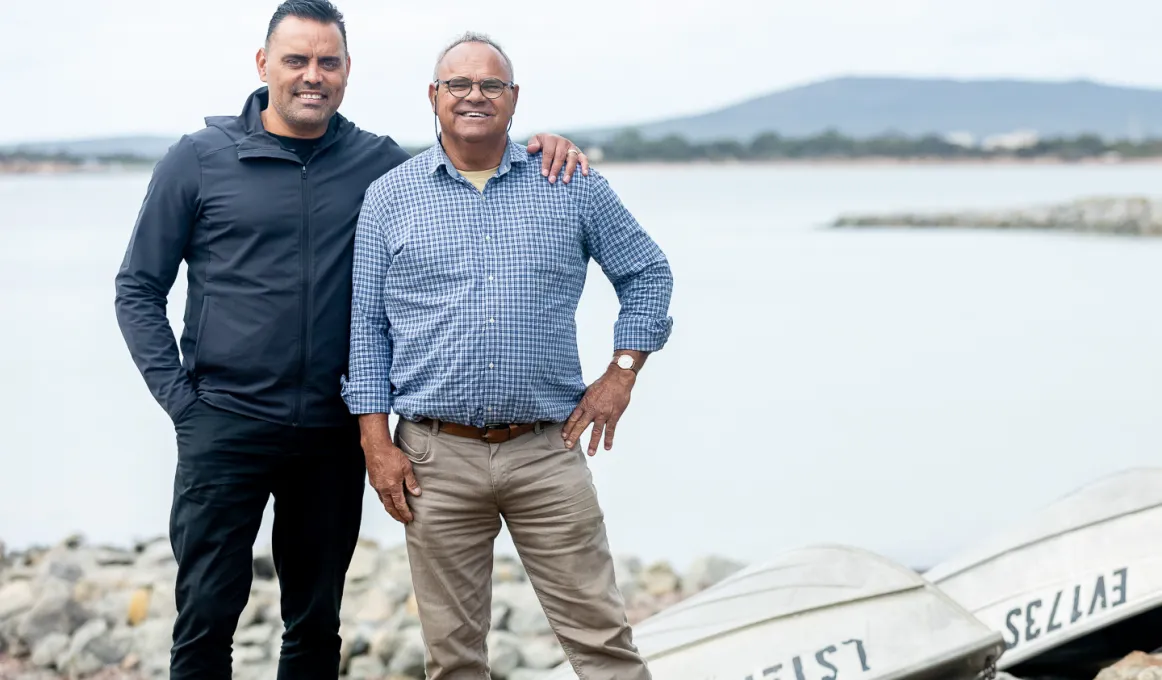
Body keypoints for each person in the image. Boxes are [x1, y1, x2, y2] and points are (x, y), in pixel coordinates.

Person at [111, 1, 589, 678]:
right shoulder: (198, 160)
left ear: (346, 71)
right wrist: (183, 404)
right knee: (205, 620)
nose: (313, 75)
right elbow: (137, 288)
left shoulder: (378, 165)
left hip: (334, 434)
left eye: (327, 62)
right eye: (297, 60)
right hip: (224, 423)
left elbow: (463, 161)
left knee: (314, 626)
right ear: (263, 65)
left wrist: (542, 146)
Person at [342, 31, 673, 680]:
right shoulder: (389, 197)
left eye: (491, 85)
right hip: (434, 456)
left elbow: (648, 274)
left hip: (546, 453)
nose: (474, 96)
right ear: (433, 97)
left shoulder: (568, 181)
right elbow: (366, 330)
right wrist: (376, 448)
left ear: (513, 98)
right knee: (453, 658)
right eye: (458, 84)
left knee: (604, 644)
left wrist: (621, 374)